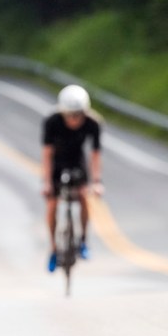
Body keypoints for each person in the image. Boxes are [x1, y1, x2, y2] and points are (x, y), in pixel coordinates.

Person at [41, 84, 103, 272]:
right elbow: (47, 154)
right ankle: (53, 249)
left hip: (78, 163)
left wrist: (97, 182)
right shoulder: (51, 122)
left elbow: (95, 155)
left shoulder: (93, 123)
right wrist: (46, 182)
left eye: (78, 115)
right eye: (70, 115)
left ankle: (83, 240)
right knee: (52, 204)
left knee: (84, 197)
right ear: (63, 112)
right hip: (57, 164)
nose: (74, 120)